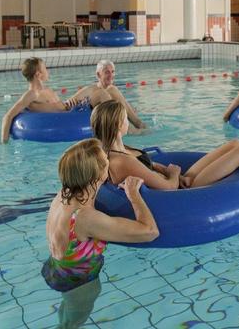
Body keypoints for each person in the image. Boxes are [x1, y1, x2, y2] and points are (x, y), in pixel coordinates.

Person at [93, 100, 239, 201]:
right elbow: (167, 188)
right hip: (180, 194)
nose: (128, 122)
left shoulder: (122, 148)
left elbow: (147, 164)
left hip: (180, 180)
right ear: (117, 126)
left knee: (236, 145)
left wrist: (167, 169)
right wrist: (173, 174)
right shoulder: (119, 161)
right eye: (125, 119)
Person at [43, 138, 158, 327]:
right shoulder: (86, 218)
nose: (110, 161)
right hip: (79, 282)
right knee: (73, 323)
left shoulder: (63, 193)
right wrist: (133, 195)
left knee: (67, 315)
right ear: (96, 175)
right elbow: (150, 232)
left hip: (56, 268)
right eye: (106, 160)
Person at [0, 57, 69, 143]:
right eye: (45, 69)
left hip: (67, 116)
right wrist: (4, 143)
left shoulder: (48, 90)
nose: (48, 71)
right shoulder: (31, 94)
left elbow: (61, 107)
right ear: (38, 74)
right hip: (54, 127)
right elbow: (8, 116)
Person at [66, 60, 146, 133]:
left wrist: (139, 123)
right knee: (104, 94)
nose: (111, 75)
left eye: (112, 72)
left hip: (115, 122)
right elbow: (68, 104)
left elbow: (125, 107)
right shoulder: (90, 90)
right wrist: (69, 102)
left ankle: (137, 125)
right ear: (98, 75)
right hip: (89, 120)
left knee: (139, 123)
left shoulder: (113, 89)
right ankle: (129, 129)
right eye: (107, 72)